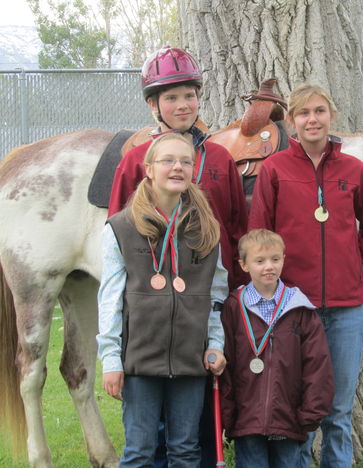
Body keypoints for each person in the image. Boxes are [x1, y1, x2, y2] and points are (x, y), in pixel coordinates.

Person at [248, 84, 363, 468]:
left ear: (331, 116)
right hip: (293, 308)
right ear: (291, 121)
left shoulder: (354, 170)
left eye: (320, 111)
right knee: (300, 410)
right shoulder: (275, 169)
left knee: (338, 411)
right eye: (304, 113)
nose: (313, 119)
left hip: (346, 309)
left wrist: (348, 259)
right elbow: (259, 235)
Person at [97, 133, 227, 466]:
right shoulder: (121, 227)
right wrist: (111, 359)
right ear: (149, 169)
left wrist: (215, 344)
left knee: (185, 451)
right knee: (139, 451)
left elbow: (215, 295)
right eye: (167, 160)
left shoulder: (207, 229)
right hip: (140, 361)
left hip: (190, 359)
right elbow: (110, 298)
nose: (177, 167)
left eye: (185, 161)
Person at [108, 45, 248, 291]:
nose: (183, 105)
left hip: (213, 289)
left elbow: (236, 228)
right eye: (171, 98)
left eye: (189, 96)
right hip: (153, 291)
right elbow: (116, 234)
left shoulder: (220, 158)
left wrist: (239, 287)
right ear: (153, 104)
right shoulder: (135, 161)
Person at [219, 228, 335, 468]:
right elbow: (226, 363)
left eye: (275, 259)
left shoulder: (299, 308)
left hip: (289, 417)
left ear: (284, 259)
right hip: (246, 419)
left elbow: (317, 365)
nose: (268, 266)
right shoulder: (233, 307)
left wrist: (310, 414)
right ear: (244, 265)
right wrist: (227, 414)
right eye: (259, 261)